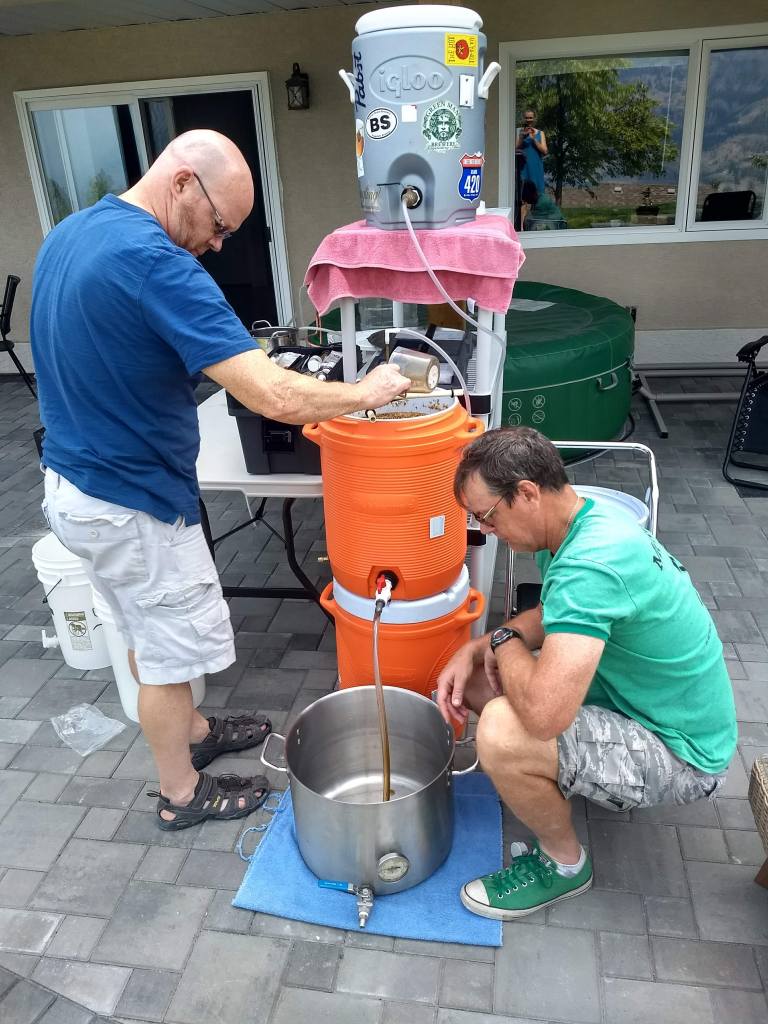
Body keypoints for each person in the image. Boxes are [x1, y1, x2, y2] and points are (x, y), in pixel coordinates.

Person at [31, 129, 411, 832]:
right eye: (218, 225)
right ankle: (181, 793)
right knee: (166, 658)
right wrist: (367, 392)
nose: (217, 243)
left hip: (75, 487)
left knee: (144, 629)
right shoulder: (156, 263)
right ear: (182, 183)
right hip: (133, 502)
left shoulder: (72, 233)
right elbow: (276, 396)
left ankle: (197, 734)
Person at [436, 427, 737, 919]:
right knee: (475, 677)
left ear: (527, 493)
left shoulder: (591, 564)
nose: (485, 530)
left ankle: (563, 865)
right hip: (639, 698)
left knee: (502, 732)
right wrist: (479, 646)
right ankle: (561, 778)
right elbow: (553, 612)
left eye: (487, 516)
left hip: (681, 750)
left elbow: (544, 717)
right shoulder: (579, 521)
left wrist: (502, 641)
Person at [515, 109, 548, 224]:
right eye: (526, 118)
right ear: (523, 119)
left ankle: (536, 224)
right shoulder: (518, 132)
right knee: (522, 199)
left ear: (534, 119)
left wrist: (533, 139)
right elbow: (513, 148)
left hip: (536, 168)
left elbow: (545, 151)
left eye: (530, 118)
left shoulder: (540, 133)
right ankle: (521, 227)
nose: (528, 120)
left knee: (537, 197)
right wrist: (521, 138)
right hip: (523, 168)